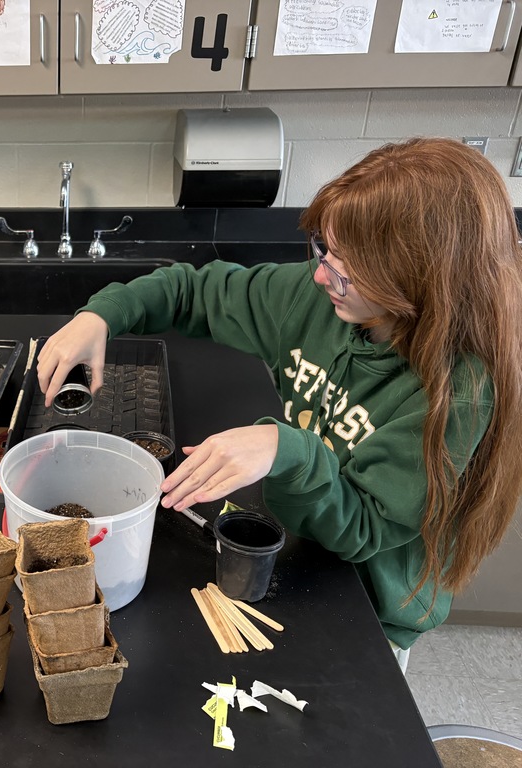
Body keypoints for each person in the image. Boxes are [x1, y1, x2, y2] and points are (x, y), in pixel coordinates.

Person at [38, 137, 522, 660]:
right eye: (324, 250)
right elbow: (192, 291)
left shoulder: (460, 393)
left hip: (363, 611)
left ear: (422, 276)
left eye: (347, 268)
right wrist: (103, 315)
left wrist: (285, 449)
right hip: (294, 553)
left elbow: (362, 529)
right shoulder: (315, 298)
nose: (321, 274)